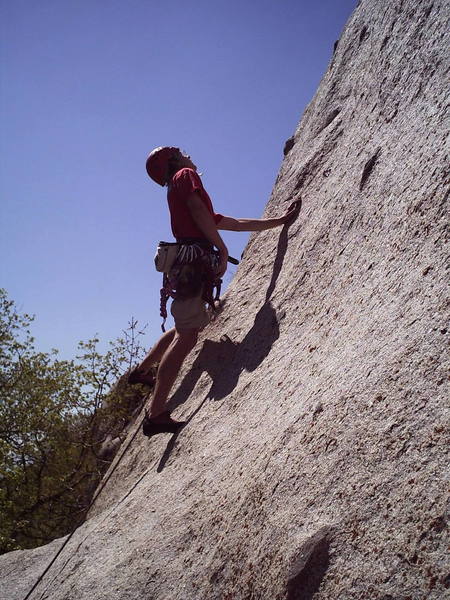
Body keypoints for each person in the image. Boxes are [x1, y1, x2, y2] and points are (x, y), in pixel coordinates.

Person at [129, 146, 300, 436]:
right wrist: (220, 248)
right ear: (173, 161)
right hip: (193, 265)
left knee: (184, 326)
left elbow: (230, 222)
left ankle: (144, 371)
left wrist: (278, 222)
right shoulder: (185, 176)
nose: (188, 154)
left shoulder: (178, 188)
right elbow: (201, 213)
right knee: (187, 335)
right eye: (181, 152)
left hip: (187, 266)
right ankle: (156, 413)